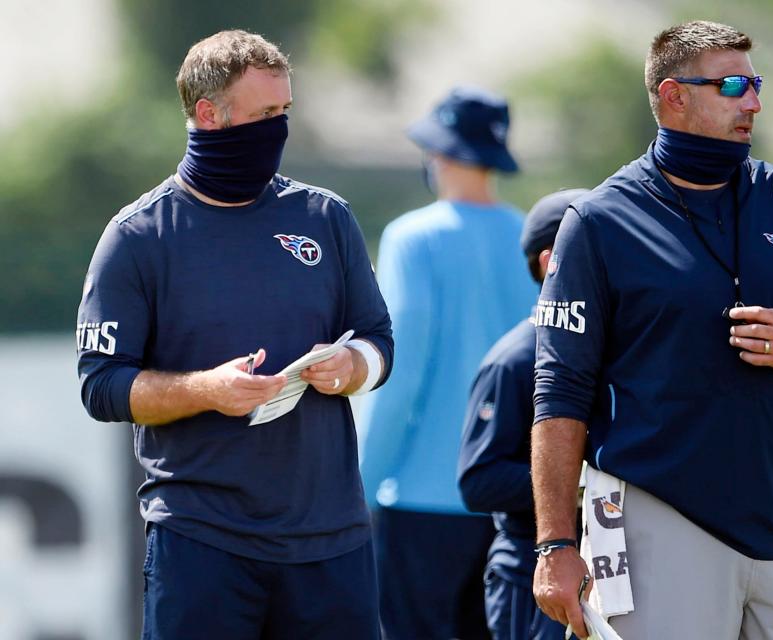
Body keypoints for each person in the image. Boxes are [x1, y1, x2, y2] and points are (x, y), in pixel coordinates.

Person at [529, 20, 773, 640]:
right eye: (734, 85)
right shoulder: (599, 220)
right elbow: (559, 391)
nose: (754, 103)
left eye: (756, 84)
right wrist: (554, 544)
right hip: (656, 514)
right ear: (673, 96)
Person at [75, 30, 392, 639]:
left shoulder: (324, 216)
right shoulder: (138, 236)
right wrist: (205, 389)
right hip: (201, 541)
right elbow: (100, 385)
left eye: (285, 112)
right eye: (264, 114)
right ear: (208, 115)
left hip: (331, 540)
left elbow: (379, 337)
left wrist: (354, 365)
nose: (278, 128)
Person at [356, 86, 539, 640]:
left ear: (438, 155)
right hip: (514, 498)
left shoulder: (412, 238)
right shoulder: (532, 233)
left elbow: (402, 372)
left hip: (420, 496)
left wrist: (359, 484)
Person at [458, 188, 588, 640]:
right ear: (552, 260)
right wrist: (582, 481)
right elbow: (480, 480)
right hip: (530, 577)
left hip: (603, 570)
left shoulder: (616, 349)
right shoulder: (513, 360)